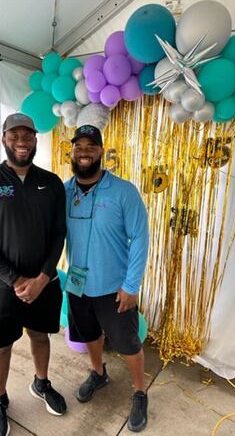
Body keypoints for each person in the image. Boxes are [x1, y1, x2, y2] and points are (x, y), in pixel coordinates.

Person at [0, 113, 67, 436]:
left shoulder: (50, 183)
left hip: (44, 283)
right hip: (1, 285)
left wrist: (41, 278)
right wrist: (15, 280)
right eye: (15, 135)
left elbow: (58, 234)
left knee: (40, 335)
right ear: (4, 139)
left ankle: (41, 383)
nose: (22, 142)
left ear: (36, 139)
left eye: (28, 135)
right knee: (2, 344)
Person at [63, 124, 150, 432]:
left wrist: (132, 285)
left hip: (114, 288)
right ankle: (99, 373)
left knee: (128, 344)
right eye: (78, 146)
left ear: (101, 152)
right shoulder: (64, 190)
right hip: (77, 285)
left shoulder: (123, 191)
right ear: (71, 151)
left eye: (90, 146)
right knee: (89, 336)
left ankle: (140, 392)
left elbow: (140, 236)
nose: (83, 151)